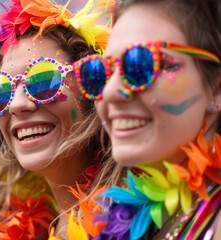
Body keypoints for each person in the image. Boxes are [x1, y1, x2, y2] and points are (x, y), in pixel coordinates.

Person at [0, 0, 119, 238]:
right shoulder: (22, 224)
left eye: (43, 80)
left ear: (91, 87)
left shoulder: (138, 219)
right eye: (0, 90)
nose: (17, 104)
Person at [72, 0, 221, 239]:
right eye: (100, 73)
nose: (109, 92)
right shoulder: (123, 222)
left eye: (140, 64)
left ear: (216, 89)